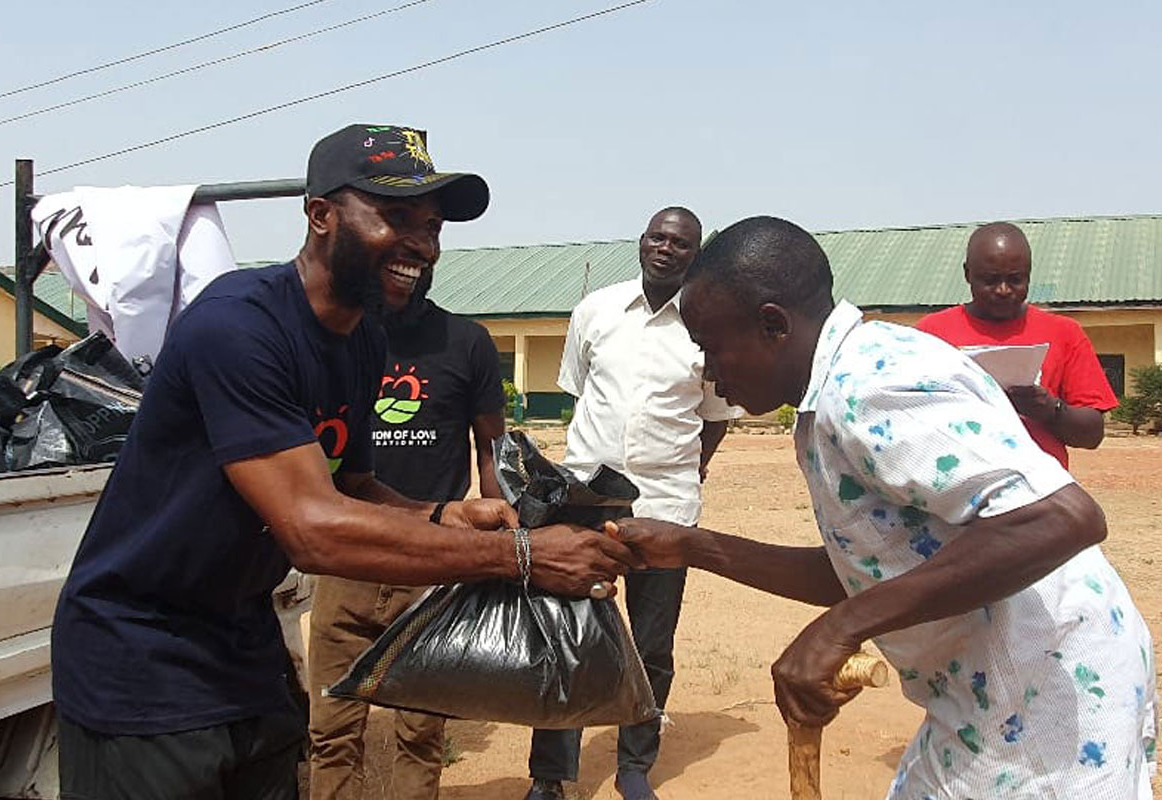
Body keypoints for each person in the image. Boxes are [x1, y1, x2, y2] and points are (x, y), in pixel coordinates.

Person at [49, 123, 640, 800]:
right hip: (141, 657)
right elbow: (311, 528)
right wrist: (525, 558)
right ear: (320, 215)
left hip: (242, 644)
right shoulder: (239, 327)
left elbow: (352, 486)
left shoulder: (360, 342)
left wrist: (447, 514)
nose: (421, 243)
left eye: (432, 225)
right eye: (395, 217)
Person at [614, 217, 1158, 799]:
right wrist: (690, 545)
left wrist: (838, 631)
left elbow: (1062, 518)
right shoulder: (827, 399)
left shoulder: (868, 385)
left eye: (710, 347)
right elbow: (869, 570)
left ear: (772, 325)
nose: (707, 371)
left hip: (1046, 689)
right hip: (987, 692)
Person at [525, 207, 743, 800]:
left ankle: (634, 766)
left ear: (696, 255)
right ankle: (551, 776)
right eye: (657, 237)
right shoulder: (594, 311)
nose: (666, 249)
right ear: (641, 242)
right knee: (567, 635)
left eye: (680, 243)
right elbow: (579, 392)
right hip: (585, 500)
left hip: (666, 507)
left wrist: (685, 472)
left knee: (651, 643)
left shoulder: (707, 326)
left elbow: (714, 421)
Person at [307, 260, 508, 799]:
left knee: (421, 733)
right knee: (331, 732)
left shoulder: (468, 343)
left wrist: (508, 544)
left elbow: (493, 450)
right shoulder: (338, 343)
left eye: (423, 255)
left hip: (430, 570)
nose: (407, 267)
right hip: (347, 561)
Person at [916, 222, 1117, 469]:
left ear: (1029, 274)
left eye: (1015, 279)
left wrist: (1051, 411)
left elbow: (1091, 435)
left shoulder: (1064, 333)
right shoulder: (930, 334)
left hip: (1037, 491)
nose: (1003, 290)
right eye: (990, 280)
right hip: (955, 490)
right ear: (967, 274)